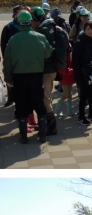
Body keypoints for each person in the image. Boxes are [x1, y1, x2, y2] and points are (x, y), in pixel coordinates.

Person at [3, 9, 52, 143]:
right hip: (36, 77)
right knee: (39, 104)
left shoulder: (13, 40)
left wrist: (8, 80)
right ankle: (42, 135)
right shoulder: (39, 37)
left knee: (21, 106)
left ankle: (23, 137)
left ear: (19, 23)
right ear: (30, 21)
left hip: (19, 78)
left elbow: (7, 63)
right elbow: (48, 54)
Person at [30, 6, 62, 136]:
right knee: (46, 97)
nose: (31, 23)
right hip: (52, 69)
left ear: (38, 19)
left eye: (32, 20)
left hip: (46, 70)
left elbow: (43, 53)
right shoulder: (51, 26)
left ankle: (52, 127)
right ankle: (44, 124)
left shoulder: (42, 32)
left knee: (45, 99)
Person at [72, 21, 92, 126]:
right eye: (88, 29)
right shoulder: (79, 42)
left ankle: (91, 115)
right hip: (84, 73)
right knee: (83, 96)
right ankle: (81, 117)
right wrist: (78, 76)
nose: (90, 31)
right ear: (84, 30)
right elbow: (75, 60)